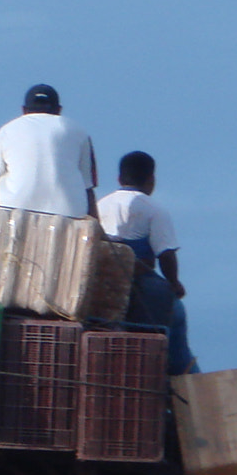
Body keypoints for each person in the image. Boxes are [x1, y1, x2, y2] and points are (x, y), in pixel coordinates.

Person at [97, 150, 197, 375]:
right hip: (138, 280)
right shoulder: (153, 209)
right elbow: (166, 254)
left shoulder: (99, 205)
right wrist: (175, 283)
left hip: (102, 282)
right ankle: (186, 377)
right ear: (151, 179)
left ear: (119, 179)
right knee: (176, 315)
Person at [0, 84, 97, 222]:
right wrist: (98, 230)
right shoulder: (80, 132)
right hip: (69, 216)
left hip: (15, 214)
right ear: (59, 110)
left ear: (24, 110)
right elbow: (88, 187)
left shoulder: (3, 133)